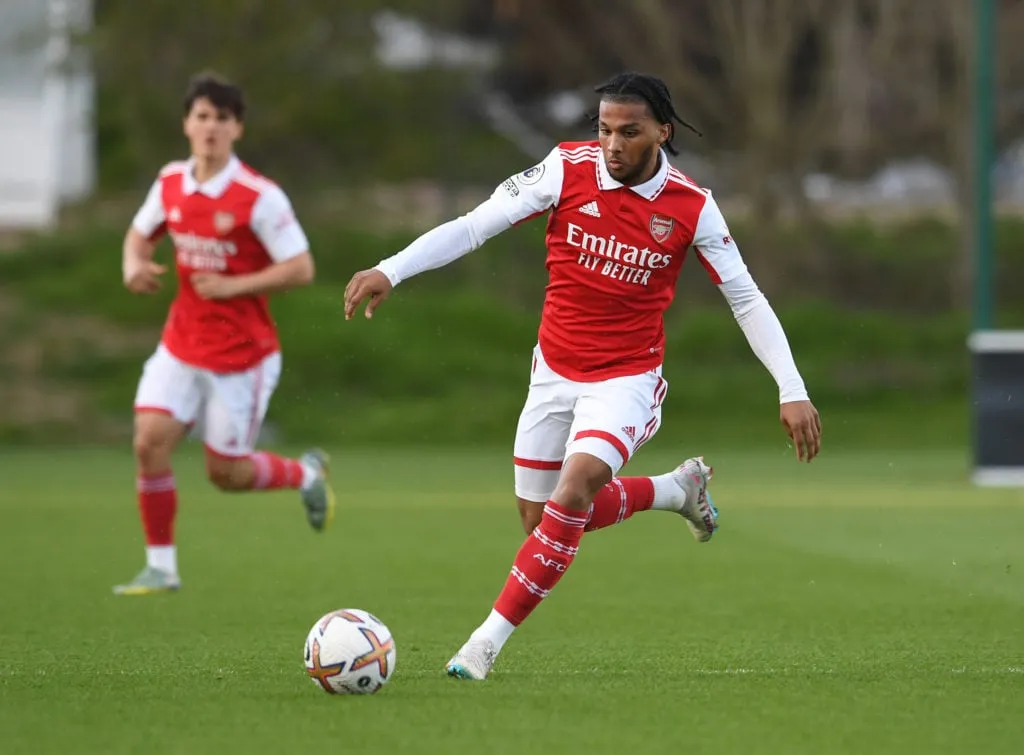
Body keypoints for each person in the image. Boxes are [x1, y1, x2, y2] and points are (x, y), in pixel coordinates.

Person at [343, 72, 821, 678]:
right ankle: (675, 490)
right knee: (543, 523)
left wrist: (792, 387)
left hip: (625, 380)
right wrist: (393, 268)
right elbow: (474, 225)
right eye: (604, 130)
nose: (613, 144)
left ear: (662, 134)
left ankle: (482, 645)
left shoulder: (692, 206)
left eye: (629, 132)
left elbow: (746, 299)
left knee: (574, 491)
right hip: (553, 371)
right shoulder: (563, 170)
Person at [115, 73, 335, 596]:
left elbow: (302, 267)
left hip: (242, 356)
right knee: (148, 444)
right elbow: (139, 235)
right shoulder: (170, 181)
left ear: (237, 128)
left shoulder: (259, 196)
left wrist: (236, 285)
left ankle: (305, 475)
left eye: (221, 118)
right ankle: (162, 567)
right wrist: (132, 265)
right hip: (181, 345)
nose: (210, 127)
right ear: (187, 124)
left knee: (226, 474)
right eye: (202, 117)